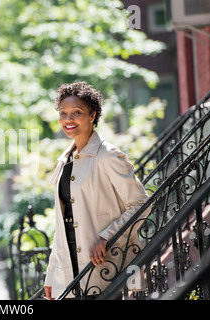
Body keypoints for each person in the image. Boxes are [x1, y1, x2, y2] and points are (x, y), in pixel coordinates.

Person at [44, 81, 150, 300]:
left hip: (105, 271)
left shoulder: (108, 155)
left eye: (77, 112)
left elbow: (140, 204)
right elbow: (62, 225)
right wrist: (51, 275)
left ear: (92, 116)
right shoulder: (65, 161)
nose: (68, 119)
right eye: (63, 113)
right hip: (70, 275)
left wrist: (106, 237)